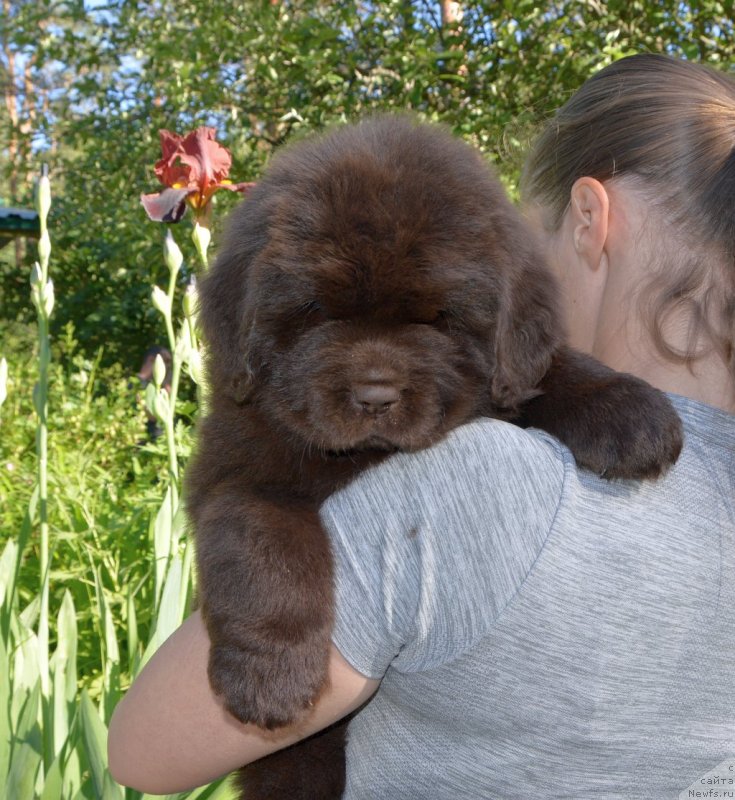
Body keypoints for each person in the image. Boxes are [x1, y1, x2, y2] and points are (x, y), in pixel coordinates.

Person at [107, 53, 735, 798]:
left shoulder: (459, 492)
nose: (376, 377)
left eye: (433, 321)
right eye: (322, 318)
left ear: (588, 220)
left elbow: (140, 754)